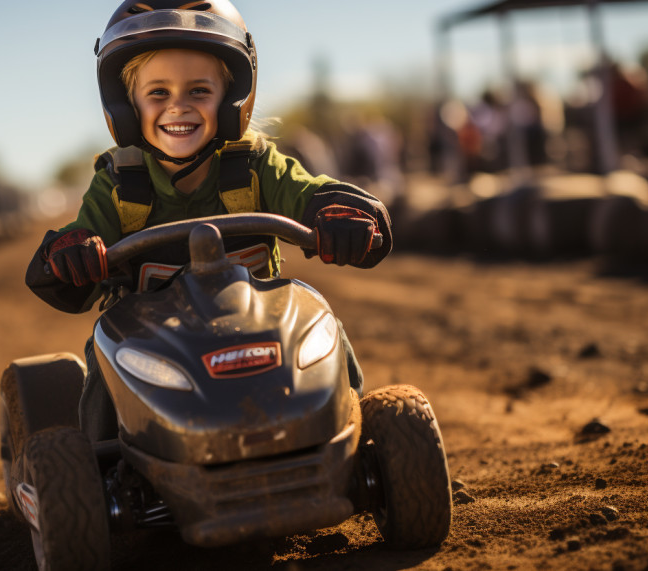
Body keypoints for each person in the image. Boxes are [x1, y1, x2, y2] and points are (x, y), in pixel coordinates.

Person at [25, 0, 393, 439]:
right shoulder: (120, 184)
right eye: (157, 92)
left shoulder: (256, 166)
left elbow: (309, 192)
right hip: (154, 351)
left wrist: (338, 215)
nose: (178, 107)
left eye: (199, 90)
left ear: (233, 97)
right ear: (125, 105)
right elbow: (76, 242)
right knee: (106, 347)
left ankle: (354, 432)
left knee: (316, 313)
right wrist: (70, 252)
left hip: (261, 334)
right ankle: (102, 469)